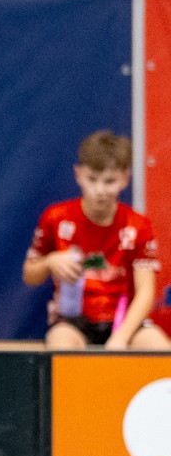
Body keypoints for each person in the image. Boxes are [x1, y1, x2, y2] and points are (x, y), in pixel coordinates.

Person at [24, 130, 165, 350]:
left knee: (159, 347)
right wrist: (49, 262)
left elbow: (146, 292)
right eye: (92, 179)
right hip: (72, 321)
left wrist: (121, 338)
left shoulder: (138, 225)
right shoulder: (56, 218)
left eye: (109, 181)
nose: (99, 190)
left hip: (124, 320)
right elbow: (29, 275)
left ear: (125, 178)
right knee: (61, 345)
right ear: (78, 175)